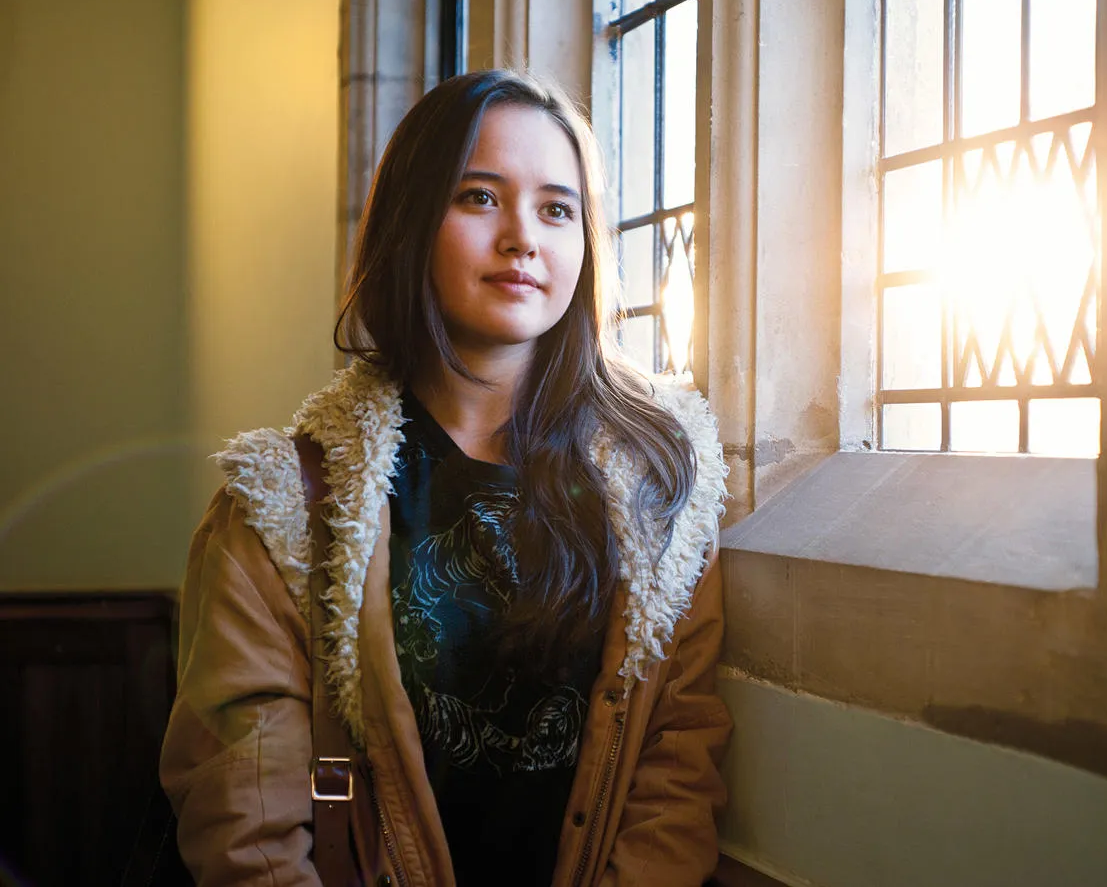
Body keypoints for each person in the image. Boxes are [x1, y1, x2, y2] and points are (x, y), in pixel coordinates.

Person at [159, 69, 731, 887]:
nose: (523, 237)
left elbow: (679, 768)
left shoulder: (662, 490)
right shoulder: (283, 509)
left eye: (557, 209)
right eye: (480, 197)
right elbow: (245, 826)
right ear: (411, 221)